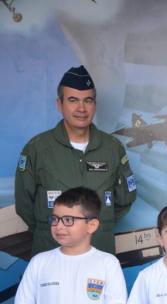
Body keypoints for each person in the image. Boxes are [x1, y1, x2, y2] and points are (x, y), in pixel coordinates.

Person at [15, 65, 137, 256]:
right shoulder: (37, 148)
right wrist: (52, 230)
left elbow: (125, 199)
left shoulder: (112, 148)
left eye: (88, 100)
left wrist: (100, 225)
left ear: (95, 105)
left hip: (99, 252)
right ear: (59, 104)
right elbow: (24, 205)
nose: (81, 108)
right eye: (73, 100)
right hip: (51, 252)